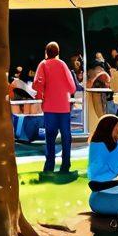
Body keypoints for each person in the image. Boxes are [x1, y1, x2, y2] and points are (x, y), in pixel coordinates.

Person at [34, 41, 78, 173]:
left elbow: (37, 84)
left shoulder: (43, 64)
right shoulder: (63, 64)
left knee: (50, 137)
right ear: (58, 52)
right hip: (63, 107)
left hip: (49, 108)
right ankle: (66, 164)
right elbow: (72, 87)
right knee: (66, 137)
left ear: (46, 52)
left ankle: (49, 165)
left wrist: (41, 93)